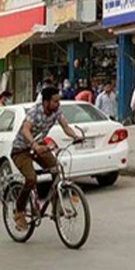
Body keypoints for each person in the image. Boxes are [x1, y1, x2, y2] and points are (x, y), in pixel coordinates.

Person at [10, 87, 83, 232]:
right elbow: (25, 129)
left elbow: (65, 126)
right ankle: (19, 211)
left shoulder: (56, 112)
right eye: (55, 101)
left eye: (59, 101)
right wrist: (34, 145)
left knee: (57, 169)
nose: (58, 104)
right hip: (21, 150)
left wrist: (75, 137)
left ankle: (57, 206)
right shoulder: (35, 112)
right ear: (45, 102)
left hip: (39, 146)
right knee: (31, 179)